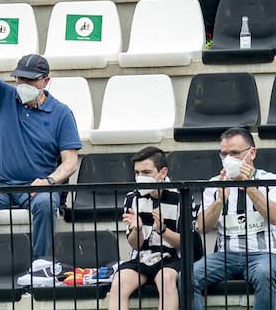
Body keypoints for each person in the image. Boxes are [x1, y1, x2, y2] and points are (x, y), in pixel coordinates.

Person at [0, 24, 81, 261]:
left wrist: (49, 181)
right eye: (20, 78)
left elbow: (71, 162)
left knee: (46, 204)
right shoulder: (4, 96)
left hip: (37, 186)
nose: (23, 84)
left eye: (31, 80)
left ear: (46, 81)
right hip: (0, 182)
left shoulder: (62, 113)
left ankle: (39, 266)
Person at [193, 128, 276, 310]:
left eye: (235, 153)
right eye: (224, 154)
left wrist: (250, 187)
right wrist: (220, 201)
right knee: (187, 277)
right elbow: (202, 227)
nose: (228, 159)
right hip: (226, 255)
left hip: (264, 254)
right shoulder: (214, 184)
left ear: (252, 153)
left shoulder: (270, 180)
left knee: (265, 273)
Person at [109, 147, 181, 310]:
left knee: (166, 280)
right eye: (137, 173)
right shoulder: (131, 198)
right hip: (141, 257)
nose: (140, 177)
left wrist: (163, 231)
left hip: (171, 258)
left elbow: (185, 243)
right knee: (118, 283)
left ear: (162, 173)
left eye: (146, 172)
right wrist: (138, 229)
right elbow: (135, 245)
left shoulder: (180, 196)